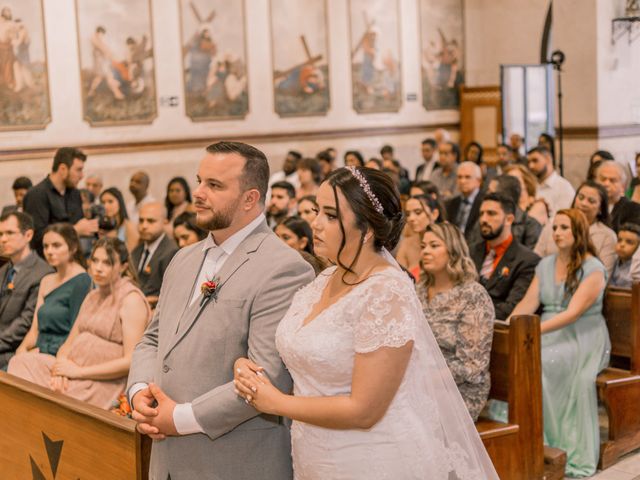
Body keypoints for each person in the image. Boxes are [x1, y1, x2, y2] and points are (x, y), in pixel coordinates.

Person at [233, 166, 499, 479]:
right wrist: (247, 366)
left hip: (372, 457)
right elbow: (301, 351)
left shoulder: (387, 291)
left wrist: (277, 403)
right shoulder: (327, 277)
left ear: (367, 229)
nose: (315, 223)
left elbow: (365, 411)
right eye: (317, 211)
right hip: (314, 451)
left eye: (331, 216)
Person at [126, 141, 315, 480]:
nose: (198, 193)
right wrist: (139, 389)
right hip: (167, 460)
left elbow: (266, 376)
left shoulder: (285, 268)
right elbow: (153, 339)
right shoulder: (183, 259)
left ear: (250, 198)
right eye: (199, 180)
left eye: (214, 185)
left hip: (230, 462)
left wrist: (179, 418)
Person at [510, 208, 610, 477]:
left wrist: (532, 332)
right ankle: (527, 438)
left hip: (582, 333)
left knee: (544, 362)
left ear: (579, 232)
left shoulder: (593, 268)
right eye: (555, 228)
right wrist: (509, 326)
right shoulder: (545, 264)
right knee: (516, 360)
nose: (557, 233)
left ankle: (557, 443)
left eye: (565, 228)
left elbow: (573, 313)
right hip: (547, 329)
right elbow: (528, 302)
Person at [9, 238, 150, 408]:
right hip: (71, 370)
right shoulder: (92, 296)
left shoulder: (131, 299)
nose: (98, 268)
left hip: (101, 381)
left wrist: (78, 372)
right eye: (95, 260)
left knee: (50, 397)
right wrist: (60, 370)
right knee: (20, 361)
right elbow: (67, 345)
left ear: (124, 266)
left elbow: (130, 361)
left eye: (107, 262)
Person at [416, 221, 494, 420]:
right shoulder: (419, 290)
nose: (425, 251)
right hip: (421, 382)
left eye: (434, 246)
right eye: (423, 246)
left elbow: (472, 365)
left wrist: (423, 380)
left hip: (460, 391)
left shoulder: (472, 295)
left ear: (453, 251)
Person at [8, 224, 91, 365]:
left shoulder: (82, 280)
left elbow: (76, 334)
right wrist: (21, 350)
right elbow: (34, 331)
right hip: (38, 350)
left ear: (73, 248)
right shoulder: (47, 280)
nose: (50, 251)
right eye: (46, 246)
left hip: (60, 355)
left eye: (56, 245)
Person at [469, 193, 540, 320]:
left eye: (491, 213)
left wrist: (471, 315)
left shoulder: (527, 260)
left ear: (509, 219)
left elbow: (511, 307)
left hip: (497, 328)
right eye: (481, 214)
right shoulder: (470, 251)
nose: (484, 219)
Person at [0, 212, 52, 369]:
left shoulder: (42, 273)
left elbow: (26, 321)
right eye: (0, 234)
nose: (3, 239)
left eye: (9, 233)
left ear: (28, 235)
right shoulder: (4, 269)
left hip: (14, 350)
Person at [23, 147, 98, 256]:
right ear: (63, 169)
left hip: (73, 258)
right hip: (47, 263)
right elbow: (37, 238)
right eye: (78, 170)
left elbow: (79, 224)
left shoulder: (75, 193)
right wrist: (75, 230)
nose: (82, 176)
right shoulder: (37, 194)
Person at [535, 181, 617, 276]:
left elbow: (603, 275)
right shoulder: (553, 224)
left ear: (600, 209)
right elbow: (537, 259)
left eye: (591, 201)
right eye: (581, 197)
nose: (583, 203)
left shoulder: (607, 236)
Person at [131, 202, 178, 308]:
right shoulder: (137, 250)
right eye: (141, 220)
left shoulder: (171, 251)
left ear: (165, 222)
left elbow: (173, 293)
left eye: (151, 221)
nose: (144, 226)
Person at [483, 174, 542, 249]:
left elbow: (530, 258)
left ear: (504, 196)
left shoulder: (531, 226)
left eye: (490, 192)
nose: (486, 194)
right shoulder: (484, 220)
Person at [396, 194, 441, 278]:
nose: (411, 218)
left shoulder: (446, 241)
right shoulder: (406, 244)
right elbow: (399, 277)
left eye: (418, 212)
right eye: (408, 214)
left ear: (434, 214)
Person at [526, 146, 575, 216]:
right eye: (529, 162)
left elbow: (563, 218)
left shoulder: (564, 187)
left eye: (535, 160)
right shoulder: (530, 186)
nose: (531, 166)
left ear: (548, 159)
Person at [595, 160, 640, 233]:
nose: (606, 184)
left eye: (612, 180)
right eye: (603, 179)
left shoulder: (633, 210)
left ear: (623, 186)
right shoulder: (588, 204)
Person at [445, 161, 483, 238]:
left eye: (467, 177)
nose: (462, 181)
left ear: (478, 181)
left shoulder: (485, 202)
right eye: (459, 177)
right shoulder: (451, 203)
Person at [99, 187, 138, 252]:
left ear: (120, 202)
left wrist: (115, 240)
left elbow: (133, 255)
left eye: (110, 201)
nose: (106, 206)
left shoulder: (129, 226)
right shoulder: (102, 226)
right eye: (103, 203)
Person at [609, 223, 640, 288]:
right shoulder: (612, 261)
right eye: (619, 240)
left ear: (638, 247)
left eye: (629, 242)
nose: (622, 245)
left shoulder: (637, 268)